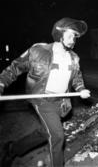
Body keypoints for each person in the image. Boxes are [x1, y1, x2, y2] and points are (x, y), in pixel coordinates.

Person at [0, 17, 91, 167]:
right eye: (70, 35)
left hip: (61, 103)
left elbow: (76, 78)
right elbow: (14, 68)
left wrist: (81, 89)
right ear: (59, 34)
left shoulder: (74, 58)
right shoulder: (38, 50)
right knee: (57, 136)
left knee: (45, 132)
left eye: (75, 36)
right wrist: (1, 84)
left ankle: (13, 148)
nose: (73, 39)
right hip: (42, 100)